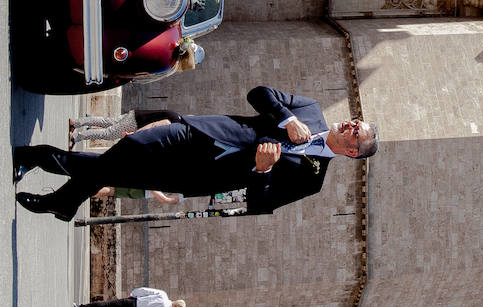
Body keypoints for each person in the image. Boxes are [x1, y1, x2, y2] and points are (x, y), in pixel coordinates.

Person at [14, 85, 378, 222]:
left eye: (354, 133)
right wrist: (287, 117)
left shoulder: (312, 179)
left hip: (198, 176)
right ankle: (50, 179)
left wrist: (262, 170)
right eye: (354, 121)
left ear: (350, 152)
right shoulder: (310, 110)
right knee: (129, 147)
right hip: (199, 135)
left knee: (109, 170)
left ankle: (51, 180)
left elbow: (259, 204)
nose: (349, 124)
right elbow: (258, 94)